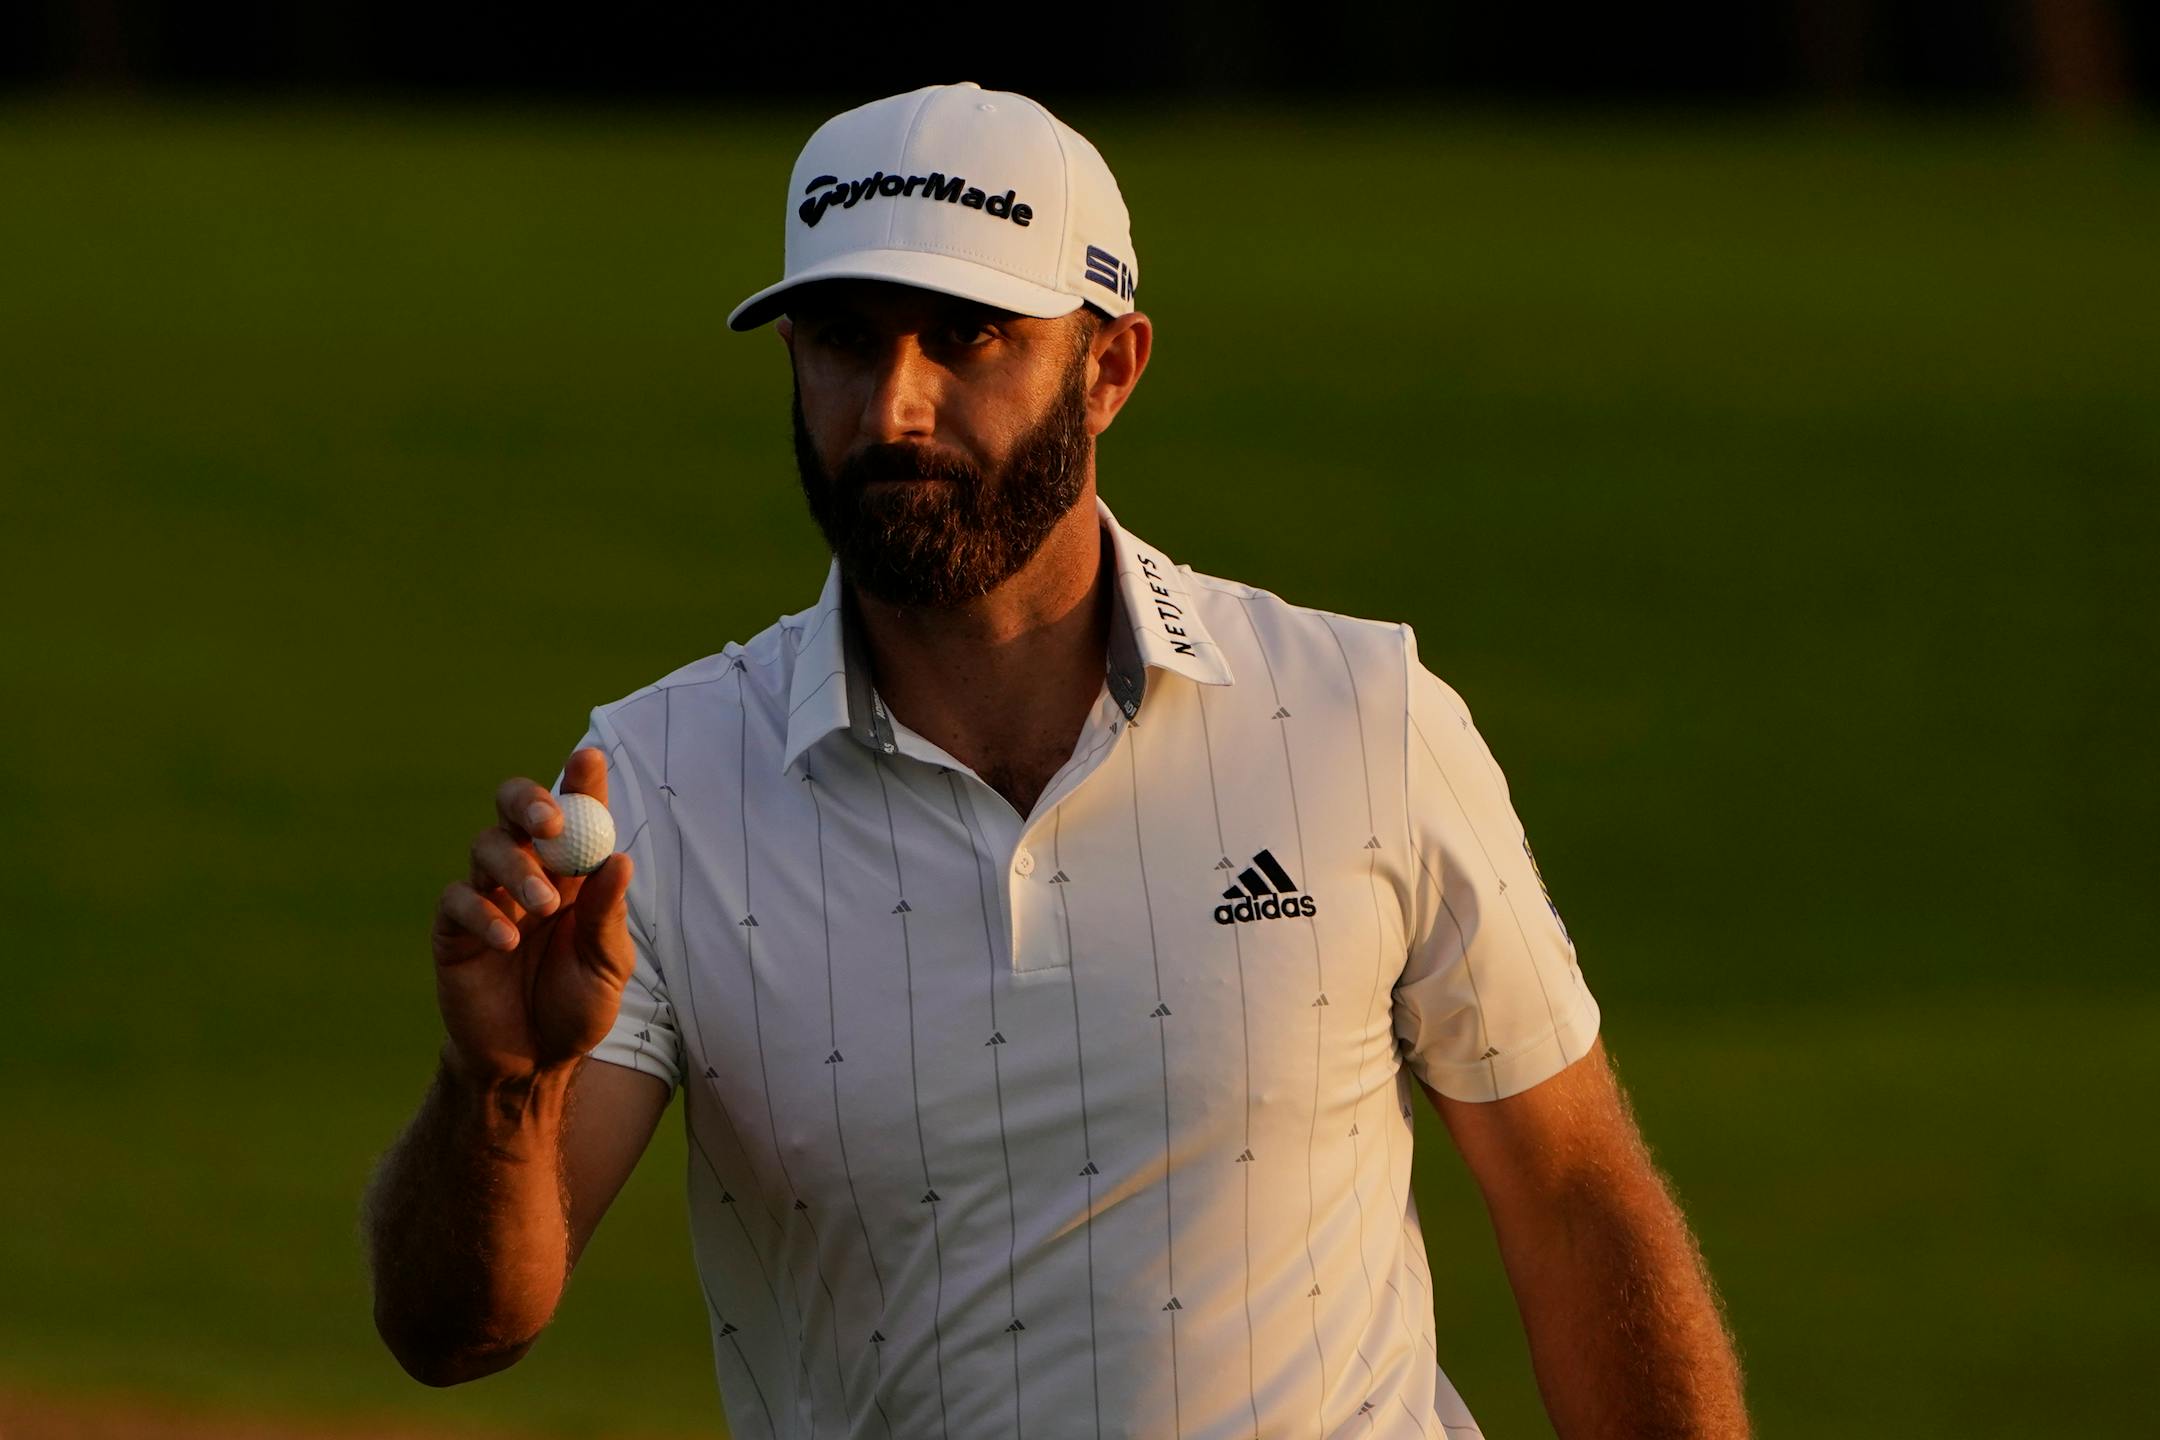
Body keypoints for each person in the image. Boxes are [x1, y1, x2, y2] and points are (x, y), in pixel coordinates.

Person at [362, 81, 1750, 1439]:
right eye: (844, 340)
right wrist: (501, 1090)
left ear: (1110, 369)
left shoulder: (1357, 715)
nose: (892, 409)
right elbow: (458, 1332)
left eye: (965, 337)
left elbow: (1574, 1200)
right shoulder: (656, 781)